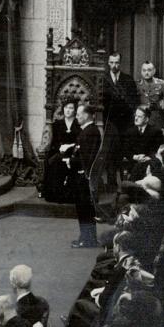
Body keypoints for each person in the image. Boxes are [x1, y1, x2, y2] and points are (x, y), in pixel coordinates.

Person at [71, 103, 102, 248]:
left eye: (78, 114)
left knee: (84, 209)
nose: (76, 116)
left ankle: (87, 239)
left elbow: (88, 158)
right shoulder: (90, 131)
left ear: (85, 115)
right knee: (84, 209)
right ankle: (86, 237)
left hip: (84, 177)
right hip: (84, 176)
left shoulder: (89, 132)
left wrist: (70, 161)